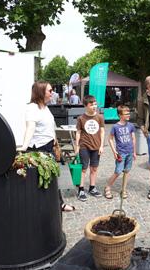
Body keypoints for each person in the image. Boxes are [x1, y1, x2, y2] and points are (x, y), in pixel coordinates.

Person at [18, 81, 75, 212]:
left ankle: (58, 204)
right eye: (50, 91)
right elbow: (30, 127)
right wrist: (24, 146)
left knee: (53, 177)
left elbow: (50, 127)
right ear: (41, 92)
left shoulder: (45, 107)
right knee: (42, 179)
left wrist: (56, 144)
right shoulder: (32, 108)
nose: (52, 93)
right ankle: (41, 206)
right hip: (39, 149)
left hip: (49, 147)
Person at [75, 95, 105, 201]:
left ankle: (92, 188)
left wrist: (101, 146)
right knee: (83, 168)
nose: (94, 106)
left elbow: (102, 131)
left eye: (95, 104)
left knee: (94, 168)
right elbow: (78, 132)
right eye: (91, 104)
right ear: (86, 105)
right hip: (84, 146)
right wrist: (77, 146)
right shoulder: (81, 118)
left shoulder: (100, 117)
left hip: (96, 147)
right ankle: (81, 189)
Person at [104, 105, 136, 199]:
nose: (128, 115)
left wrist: (134, 152)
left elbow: (133, 138)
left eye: (128, 113)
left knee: (126, 171)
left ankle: (124, 190)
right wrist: (114, 152)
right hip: (121, 153)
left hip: (129, 152)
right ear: (120, 115)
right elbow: (110, 139)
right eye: (126, 113)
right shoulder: (115, 127)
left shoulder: (131, 125)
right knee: (118, 171)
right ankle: (108, 187)